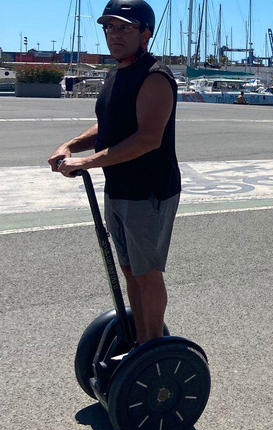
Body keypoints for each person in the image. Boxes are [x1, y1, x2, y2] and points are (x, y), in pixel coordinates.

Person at [48, 0, 181, 345]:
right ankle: (140, 341)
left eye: (124, 27)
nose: (114, 35)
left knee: (147, 272)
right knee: (128, 270)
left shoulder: (155, 77)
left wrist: (87, 163)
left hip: (149, 189)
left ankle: (152, 349)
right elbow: (110, 125)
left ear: (145, 34)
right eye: (109, 27)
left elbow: (148, 138)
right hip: (118, 186)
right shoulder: (116, 73)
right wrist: (71, 147)